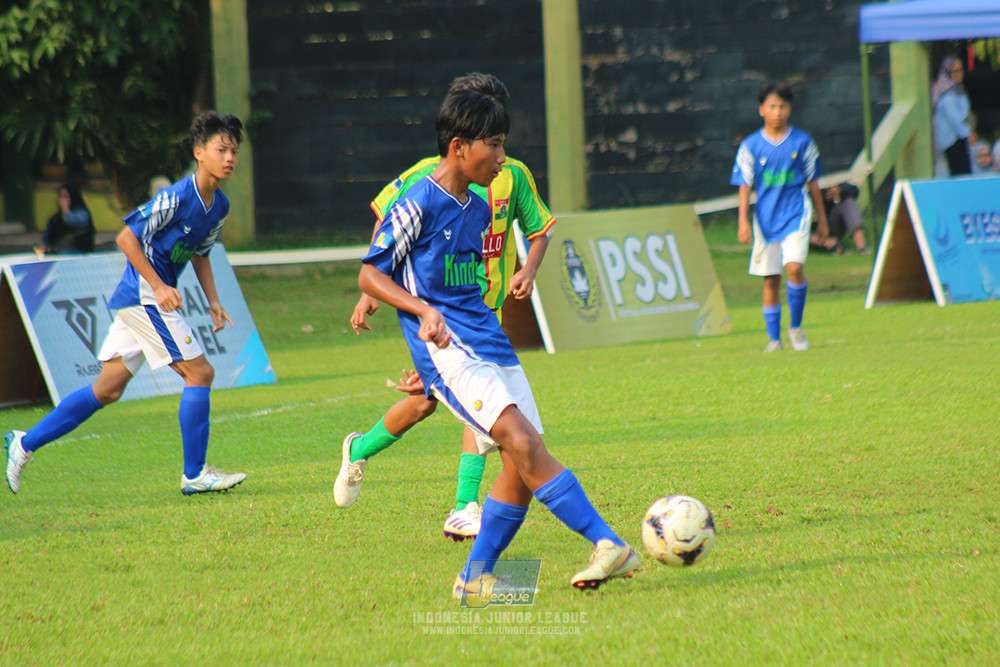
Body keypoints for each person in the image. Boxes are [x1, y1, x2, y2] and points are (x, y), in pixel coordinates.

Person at [354, 76, 641, 594]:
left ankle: (475, 577)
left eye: (504, 143)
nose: (503, 157)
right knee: (519, 441)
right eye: (495, 144)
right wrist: (422, 312)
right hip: (451, 350)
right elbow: (371, 274)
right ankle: (606, 543)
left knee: (519, 462)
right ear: (460, 147)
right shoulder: (418, 200)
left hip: (490, 340)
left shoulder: (482, 206)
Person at [341, 73, 555, 543]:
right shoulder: (428, 174)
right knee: (447, 408)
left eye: (501, 135)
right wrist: (370, 292)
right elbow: (387, 233)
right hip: (436, 314)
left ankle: (463, 508)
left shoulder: (513, 175)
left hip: (482, 313)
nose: (497, 150)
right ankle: (461, 507)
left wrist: (529, 270)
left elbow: (540, 230)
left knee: (444, 408)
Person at [5, 111, 247, 496]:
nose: (230, 157)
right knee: (200, 374)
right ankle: (195, 474)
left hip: (146, 297)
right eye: (222, 149)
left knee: (107, 390)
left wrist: (213, 301)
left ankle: (24, 442)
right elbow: (125, 238)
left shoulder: (219, 206)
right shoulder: (175, 197)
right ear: (199, 152)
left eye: (234, 150)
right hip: (145, 296)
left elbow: (201, 252)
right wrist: (159, 285)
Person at [732, 82, 828, 353]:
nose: (777, 112)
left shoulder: (803, 142)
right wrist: (742, 221)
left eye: (783, 106)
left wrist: (822, 219)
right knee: (771, 278)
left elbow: (813, 183)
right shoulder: (750, 146)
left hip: (796, 213)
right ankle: (774, 339)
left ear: (790, 109)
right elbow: (744, 186)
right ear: (762, 109)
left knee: (794, 267)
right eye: (772, 106)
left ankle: (795, 327)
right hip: (765, 219)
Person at [932, 56, 973, 177]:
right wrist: (967, 133)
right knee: (960, 173)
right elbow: (954, 119)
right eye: (955, 71)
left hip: (958, 138)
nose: (959, 74)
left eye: (960, 70)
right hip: (952, 140)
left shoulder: (957, 90)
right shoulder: (948, 95)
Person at [34, 182, 96, 256]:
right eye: (61, 196)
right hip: (57, 252)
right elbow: (48, 234)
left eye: (65, 196)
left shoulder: (81, 213)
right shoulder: (56, 218)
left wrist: (65, 209)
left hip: (77, 252)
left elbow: (72, 221)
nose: (62, 200)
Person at [809, 183, 870, 255]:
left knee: (848, 201)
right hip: (810, 226)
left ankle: (861, 246)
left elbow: (854, 190)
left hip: (831, 219)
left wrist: (839, 190)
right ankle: (831, 244)